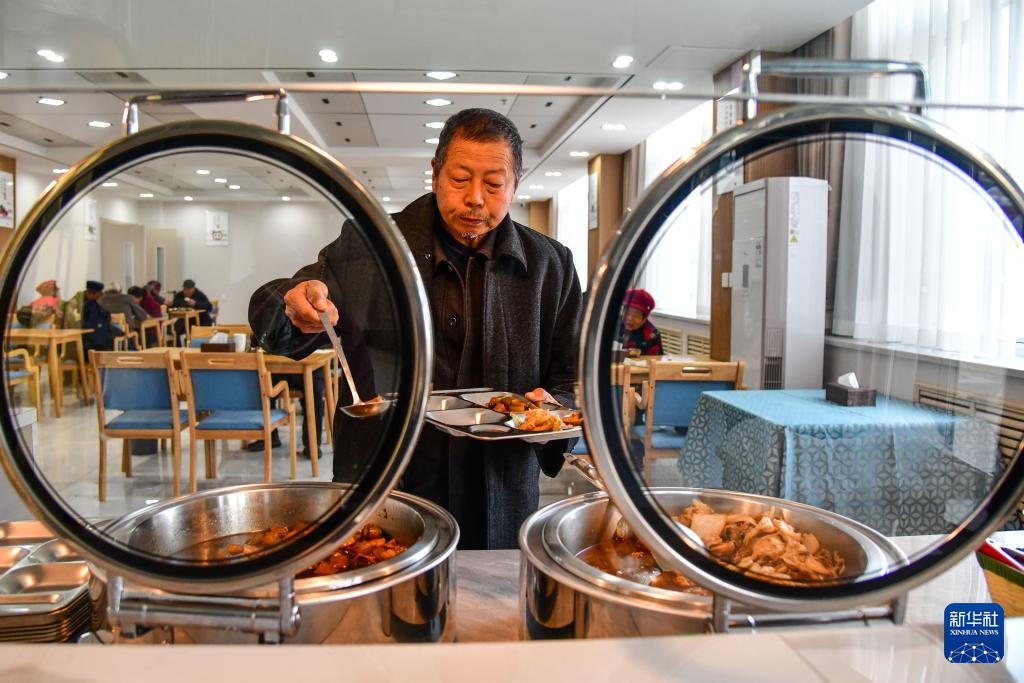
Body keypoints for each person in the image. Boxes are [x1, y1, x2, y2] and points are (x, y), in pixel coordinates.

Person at [250, 108, 583, 550]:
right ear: (435, 172)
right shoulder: (371, 244)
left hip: (499, 488)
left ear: (515, 184)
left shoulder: (550, 266)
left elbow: (572, 377)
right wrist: (292, 302)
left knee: (491, 592)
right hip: (388, 482)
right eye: (459, 179)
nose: (475, 199)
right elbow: (281, 315)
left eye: (493, 184)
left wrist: (555, 406)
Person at [619, 288, 663, 356]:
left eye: (636, 315)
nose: (630, 318)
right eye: (627, 313)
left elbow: (656, 359)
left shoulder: (652, 335)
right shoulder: (613, 326)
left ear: (644, 319)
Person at [81, 280, 122, 352]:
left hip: (94, 336)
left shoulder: (89, 304)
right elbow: (96, 321)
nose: (102, 295)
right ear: (92, 294)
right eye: (100, 293)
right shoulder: (92, 305)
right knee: (119, 332)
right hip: (97, 338)